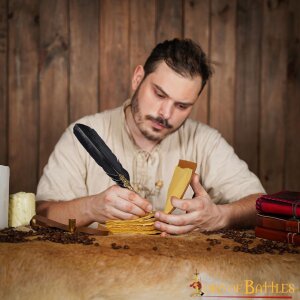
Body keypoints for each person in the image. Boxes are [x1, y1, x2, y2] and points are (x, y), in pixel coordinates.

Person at [36, 38, 265, 234]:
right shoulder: (83, 133)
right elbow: (41, 213)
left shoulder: (205, 141)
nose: (165, 114)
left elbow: (260, 206)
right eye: (159, 94)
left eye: (182, 105)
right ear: (138, 78)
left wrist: (220, 215)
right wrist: (90, 208)